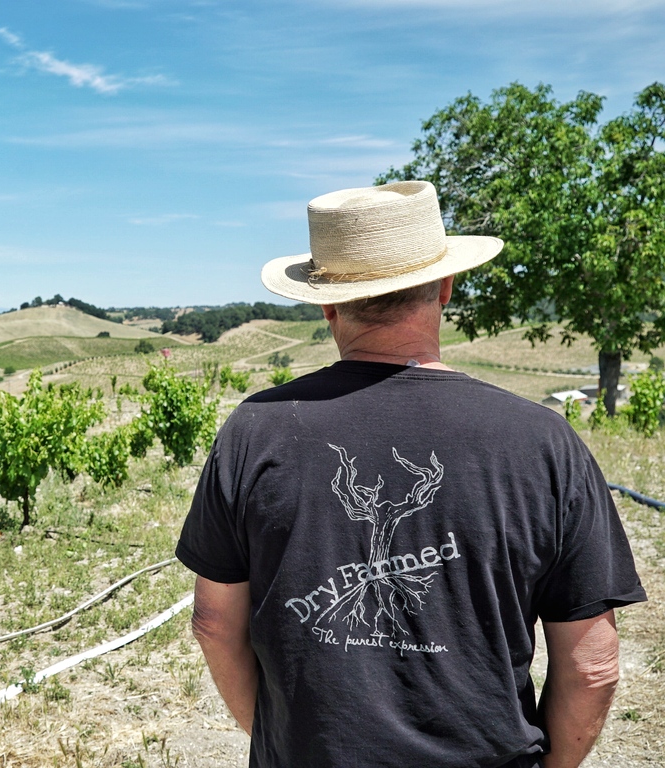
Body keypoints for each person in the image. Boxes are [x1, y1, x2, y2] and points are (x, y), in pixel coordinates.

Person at [175, 181, 646, 768]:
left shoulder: (255, 430)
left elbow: (214, 623)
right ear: (445, 286)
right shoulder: (544, 442)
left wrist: (282, 745)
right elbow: (593, 665)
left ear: (327, 304)